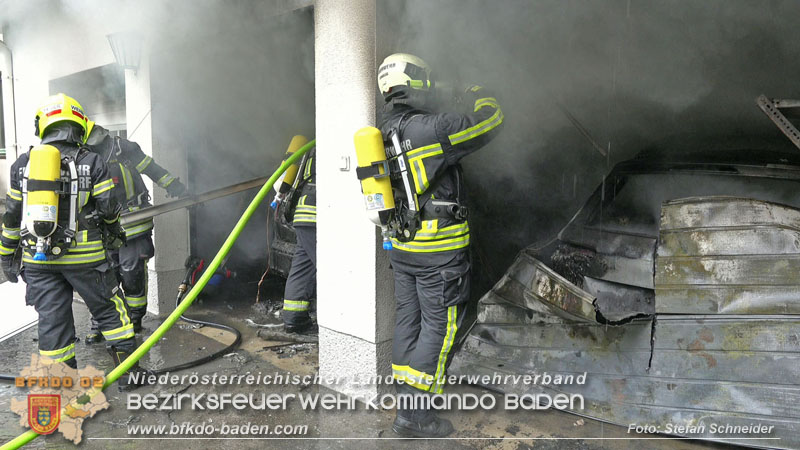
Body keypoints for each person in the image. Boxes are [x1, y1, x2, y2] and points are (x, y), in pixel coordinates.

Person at [376, 53, 504, 437]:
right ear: (415, 81)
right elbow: (491, 121)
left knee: (408, 322)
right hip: (439, 254)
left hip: (403, 250)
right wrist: (476, 91)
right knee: (441, 327)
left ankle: (406, 398)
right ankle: (416, 416)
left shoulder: (383, 130)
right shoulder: (433, 129)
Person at [0, 93, 143, 389]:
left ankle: (62, 387)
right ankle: (129, 375)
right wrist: (115, 233)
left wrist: (6, 256)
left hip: (37, 261)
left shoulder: (23, 164)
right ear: (79, 125)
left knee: (52, 322)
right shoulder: (93, 160)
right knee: (109, 311)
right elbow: (108, 208)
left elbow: (12, 216)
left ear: (44, 126)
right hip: (86, 259)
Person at [82, 120, 186, 342]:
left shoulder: (125, 149)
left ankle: (135, 319)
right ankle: (99, 323)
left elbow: (152, 169)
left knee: (132, 274)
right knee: (102, 277)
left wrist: (177, 188)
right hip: (101, 231)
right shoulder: (82, 157)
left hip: (133, 227)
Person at [281, 146, 317, 334]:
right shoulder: (333, 143)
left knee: (303, 265)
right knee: (329, 268)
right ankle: (340, 325)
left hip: (303, 213)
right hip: (317, 214)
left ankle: (294, 318)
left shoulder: (309, 149)